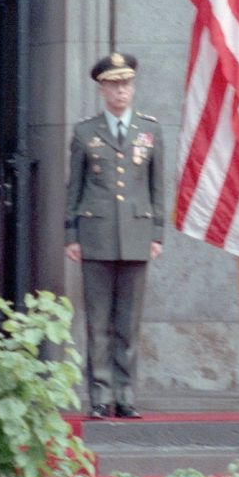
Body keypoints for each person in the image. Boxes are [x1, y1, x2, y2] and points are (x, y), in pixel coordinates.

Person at [64, 52, 164, 420]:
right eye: (113, 84)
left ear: (132, 87)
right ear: (102, 89)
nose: (120, 90)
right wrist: (71, 234)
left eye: (125, 83)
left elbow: (157, 187)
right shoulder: (85, 132)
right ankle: (101, 395)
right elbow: (73, 187)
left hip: (137, 234)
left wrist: (157, 233)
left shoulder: (149, 130)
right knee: (99, 323)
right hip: (96, 235)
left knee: (129, 323)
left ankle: (127, 394)